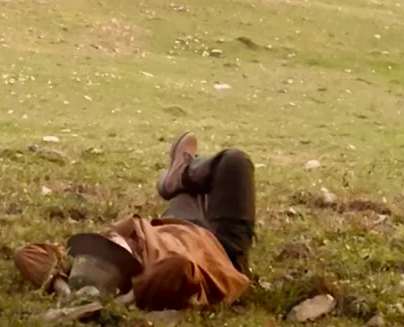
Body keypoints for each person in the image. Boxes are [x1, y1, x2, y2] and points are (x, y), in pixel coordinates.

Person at [14, 133, 256, 311]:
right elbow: (179, 268)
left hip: (176, 223)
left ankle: (180, 175)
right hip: (222, 249)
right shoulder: (154, 274)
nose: (111, 238)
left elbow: (27, 254)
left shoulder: (83, 271)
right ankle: (182, 173)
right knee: (235, 162)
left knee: (200, 184)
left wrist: (62, 288)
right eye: (112, 248)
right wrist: (129, 298)